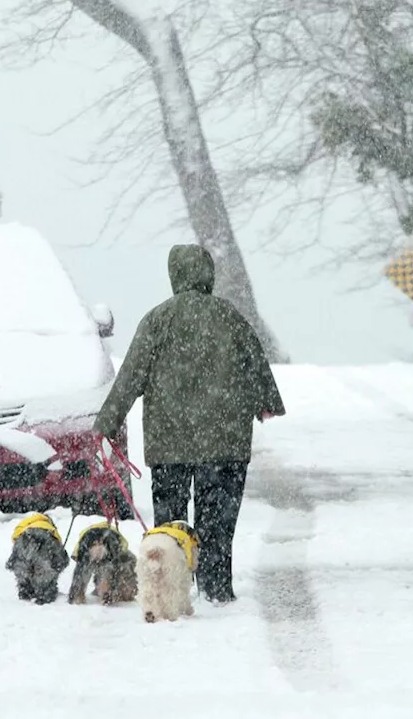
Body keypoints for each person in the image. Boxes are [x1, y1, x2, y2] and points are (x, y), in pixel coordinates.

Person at [93, 244, 284, 604]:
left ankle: (170, 589)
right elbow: (255, 363)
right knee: (217, 523)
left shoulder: (157, 320)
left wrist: (106, 423)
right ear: (208, 274)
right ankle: (216, 589)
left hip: (170, 447)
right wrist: (267, 402)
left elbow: (130, 377)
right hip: (225, 444)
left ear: (174, 276)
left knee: (170, 528)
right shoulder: (230, 316)